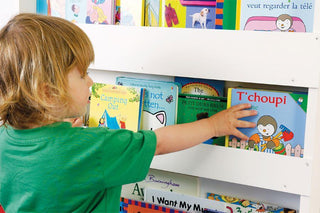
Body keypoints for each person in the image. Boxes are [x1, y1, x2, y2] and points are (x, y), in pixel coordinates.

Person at [0, 13, 257, 212]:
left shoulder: (4, 138)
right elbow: (159, 143)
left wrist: (65, 136)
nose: (91, 81)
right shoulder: (92, 147)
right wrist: (214, 126)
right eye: (82, 74)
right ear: (48, 94)